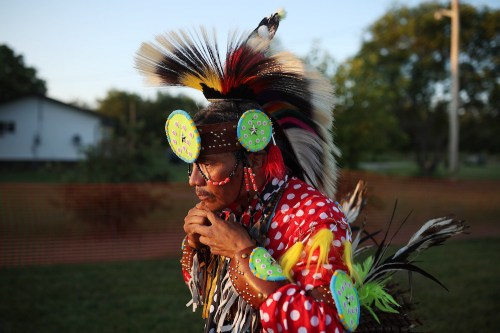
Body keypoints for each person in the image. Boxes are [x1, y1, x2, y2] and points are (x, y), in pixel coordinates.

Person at [136, 9, 466, 333]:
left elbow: (328, 325)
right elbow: (213, 300)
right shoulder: (230, 209)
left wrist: (244, 253)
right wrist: (195, 247)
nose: (194, 179)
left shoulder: (316, 219)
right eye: (193, 165)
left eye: (207, 165)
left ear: (252, 160)